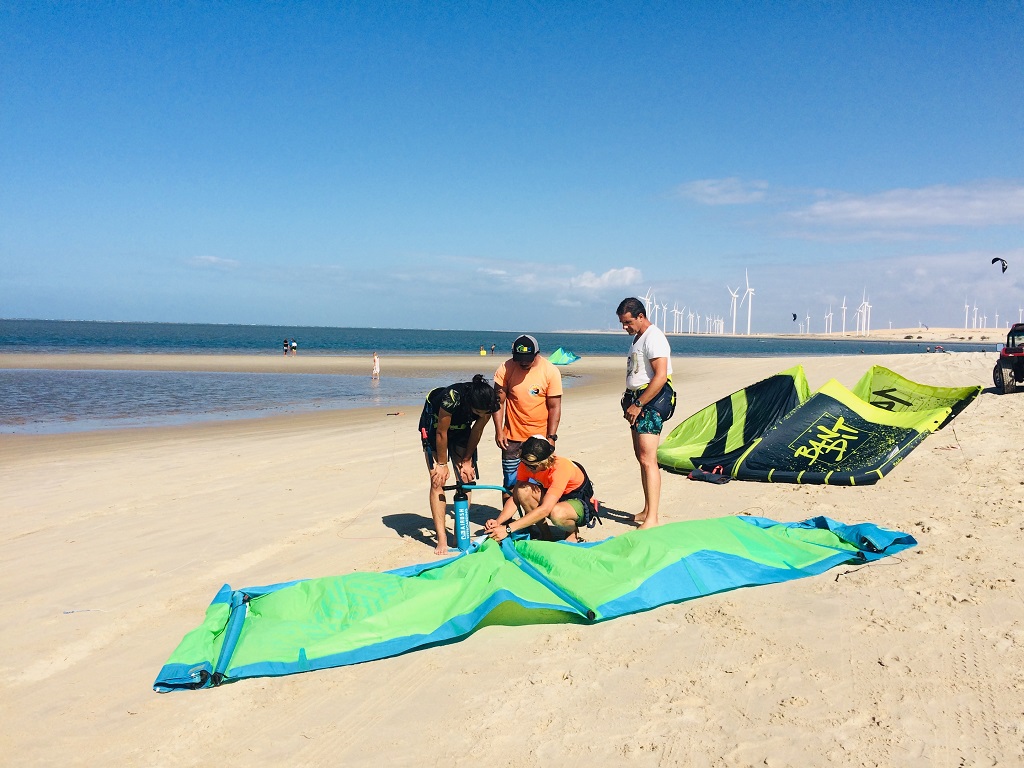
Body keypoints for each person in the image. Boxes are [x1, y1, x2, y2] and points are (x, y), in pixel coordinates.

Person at [419, 375, 501, 555]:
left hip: (462, 429)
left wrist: (466, 461)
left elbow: (477, 430)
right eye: (479, 412)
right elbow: (441, 432)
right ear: (471, 404)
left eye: (484, 413)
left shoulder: (490, 403)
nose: (482, 416)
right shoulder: (452, 397)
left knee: (465, 478)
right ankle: (442, 538)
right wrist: (441, 464)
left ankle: (460, 533)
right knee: (437, 480)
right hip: (435, 423)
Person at [616, 297, 675, 529]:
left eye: (628, 322)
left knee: (649, 460)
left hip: (649, 403)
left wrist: (639, 404)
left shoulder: (654, 337)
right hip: (636, 401)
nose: (625, 327)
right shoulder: (638, 338)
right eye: (622, 322)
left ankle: (653, 518)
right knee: (641, 458)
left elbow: (660, 376)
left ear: (640, 316)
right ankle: (647, 509)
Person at [485, 435, 596, 543]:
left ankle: (572, 531)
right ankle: (546, 535)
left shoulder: (561, 468)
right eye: (525, 464)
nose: (528, 468)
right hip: (554, 497)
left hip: (578, 501)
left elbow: (546, 509)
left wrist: (508, 529)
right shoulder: (526, 465)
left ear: (547, 462)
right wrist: (498, 522)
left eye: (533, 466)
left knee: (556, 513)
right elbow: (515, 499)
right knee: (522, 491)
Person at [492, 334, 562, 500]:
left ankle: (535, 521)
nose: (523, 362)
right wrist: (499, 431)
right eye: (519, 358)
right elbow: (497, 402)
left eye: (527, 359)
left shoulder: (550, 371)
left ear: (537, 353)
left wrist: (551, 437)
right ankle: (507, 522)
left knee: (538, 484)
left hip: (539, 438)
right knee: (510, 482)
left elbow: (555, 407)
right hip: (511, 437)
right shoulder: (506, 368)